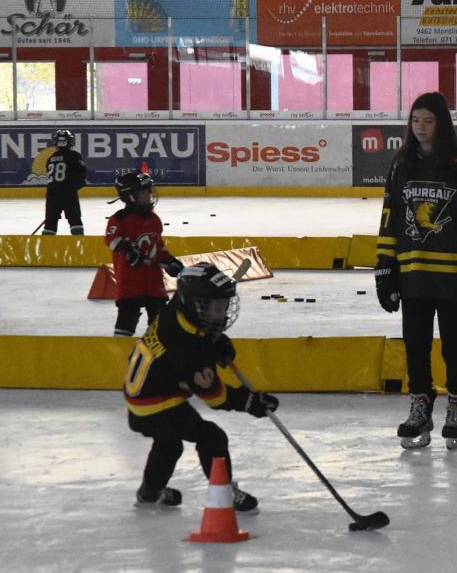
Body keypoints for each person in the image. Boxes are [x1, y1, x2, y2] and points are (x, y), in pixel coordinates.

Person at [375, 91, 457, 451]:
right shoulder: (401, 163)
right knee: (416, 345)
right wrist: (384, 266)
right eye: (415, 120)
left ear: (440, 123)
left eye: (427, 120)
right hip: (414, 272)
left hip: (453, 273)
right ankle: (421, 404)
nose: (420, 127)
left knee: (454, 344)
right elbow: (390, 215)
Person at [123, 261, 279, 511]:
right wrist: (250, 401)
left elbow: (199, 335)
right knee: (212, 437)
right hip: (158, 405)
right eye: (214, 308)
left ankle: (149, 492)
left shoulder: (176, 309)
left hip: (141, 398)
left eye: (222, 306)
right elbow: (215, 398)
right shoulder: (187, 349)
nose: (222, 314)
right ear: (194, 304)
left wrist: (215, 342)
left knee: (169, 444)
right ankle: (223, 491)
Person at [105, 170, 185, 336]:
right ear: (131, 196)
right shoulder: (119, 218)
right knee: (126, 323)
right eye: (144, 191)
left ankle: (157, 357)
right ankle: (120, 354)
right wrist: (128, 249)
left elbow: (158, 247)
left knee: (160, 325)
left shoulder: (154, 219)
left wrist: (170, 261)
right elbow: (111, 239)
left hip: (154, 282)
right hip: (129, 283)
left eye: (149, 190)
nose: (149, 194)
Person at [41, 129, 88, 235]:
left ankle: (45, 248)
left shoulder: (51, 158)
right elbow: (82, 175)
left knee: (50, 223)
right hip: (69, 193)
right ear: (70, 142)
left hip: (52, 194)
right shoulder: (75, 156)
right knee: (75, 221)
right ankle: (78, 246)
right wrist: (75, 186)